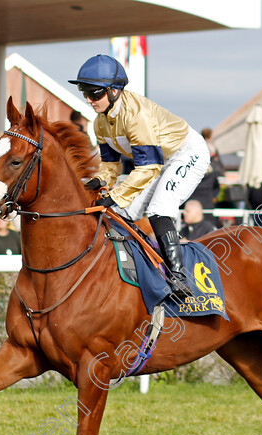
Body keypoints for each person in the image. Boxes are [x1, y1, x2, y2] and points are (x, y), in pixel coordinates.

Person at [69, 54, 209, 296]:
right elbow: (111, 166)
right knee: (120, 213)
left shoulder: (136, 115)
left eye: (94, 93)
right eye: (85, 92)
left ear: (114, 91)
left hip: (186, 153)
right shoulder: (99, 123)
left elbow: (148, 168)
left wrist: (116, 195)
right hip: (157, 161)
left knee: (159, 208)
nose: (89, 100)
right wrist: (98, 182)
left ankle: (178, 275)